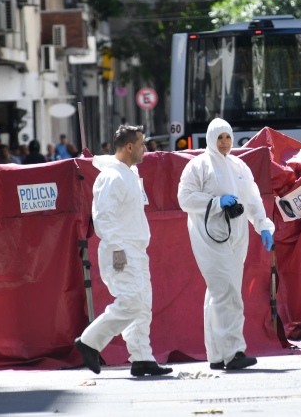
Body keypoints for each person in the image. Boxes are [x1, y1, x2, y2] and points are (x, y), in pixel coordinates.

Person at [74, 124, 172, 377]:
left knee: (142, 306)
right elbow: (103, 218)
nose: (145, 148)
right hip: (121, 251)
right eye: (141, 144)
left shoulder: (127, 172)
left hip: (136, 251)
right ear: (129, 147)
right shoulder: (112, 177)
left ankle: (141, 358)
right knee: (131, 303)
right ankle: (89, 341)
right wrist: (119, 252)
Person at [177, 118, 275, 371]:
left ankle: (217, 355)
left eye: (228, 138)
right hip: (209, 237)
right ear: (210, 138)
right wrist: (217, 202)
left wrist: (263, 225)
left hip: (237, 238)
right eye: (219, 138)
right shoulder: (198, 166)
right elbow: (185, 198)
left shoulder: (239, 165)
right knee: (227, 293)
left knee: (218, 294)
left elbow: (253, 199)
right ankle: (234, 352)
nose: (224, 143)